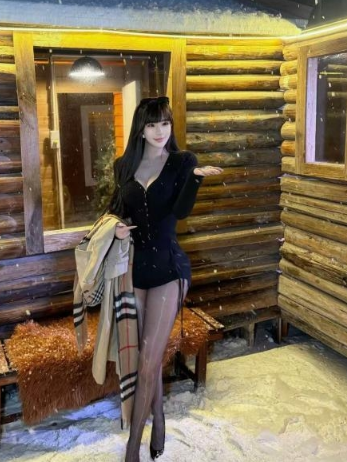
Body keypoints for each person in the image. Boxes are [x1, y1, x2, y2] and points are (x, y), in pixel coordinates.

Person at [108, 96, 223, 462]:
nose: (160, 131)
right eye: (152, 124)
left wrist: (195, 180)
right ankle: (158, 418)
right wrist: (118, 227)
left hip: (169, 270)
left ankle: (133, 447)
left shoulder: (182, 162)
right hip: (136, 270)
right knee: (147, 356)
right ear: (141, 129)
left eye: (165, 123)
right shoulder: (123, 166)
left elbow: (181, 212)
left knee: (147, 360)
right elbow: (117, 210)